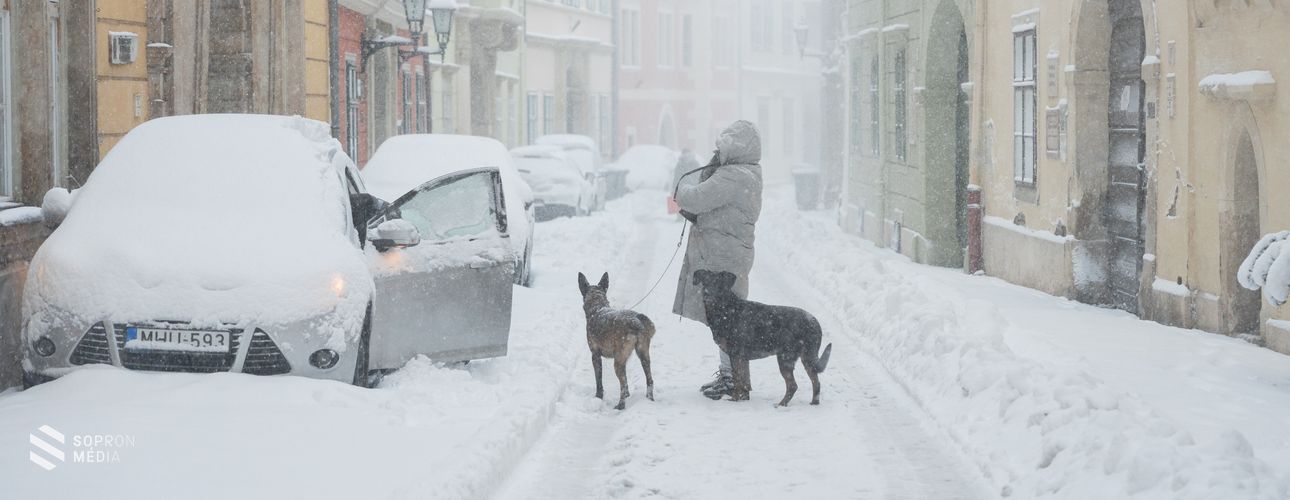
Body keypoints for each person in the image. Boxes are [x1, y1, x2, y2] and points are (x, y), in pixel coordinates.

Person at [671, 120, 764, 400]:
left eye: (723, 145)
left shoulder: (733, 176)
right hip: (731, 251)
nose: (718, 150)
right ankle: (731, 376)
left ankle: (732, 379)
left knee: (726, 318)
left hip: (724, 254)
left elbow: (696, 199)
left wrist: (680, 189)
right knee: (729, 317)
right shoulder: (749, 173)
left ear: (737, 147)